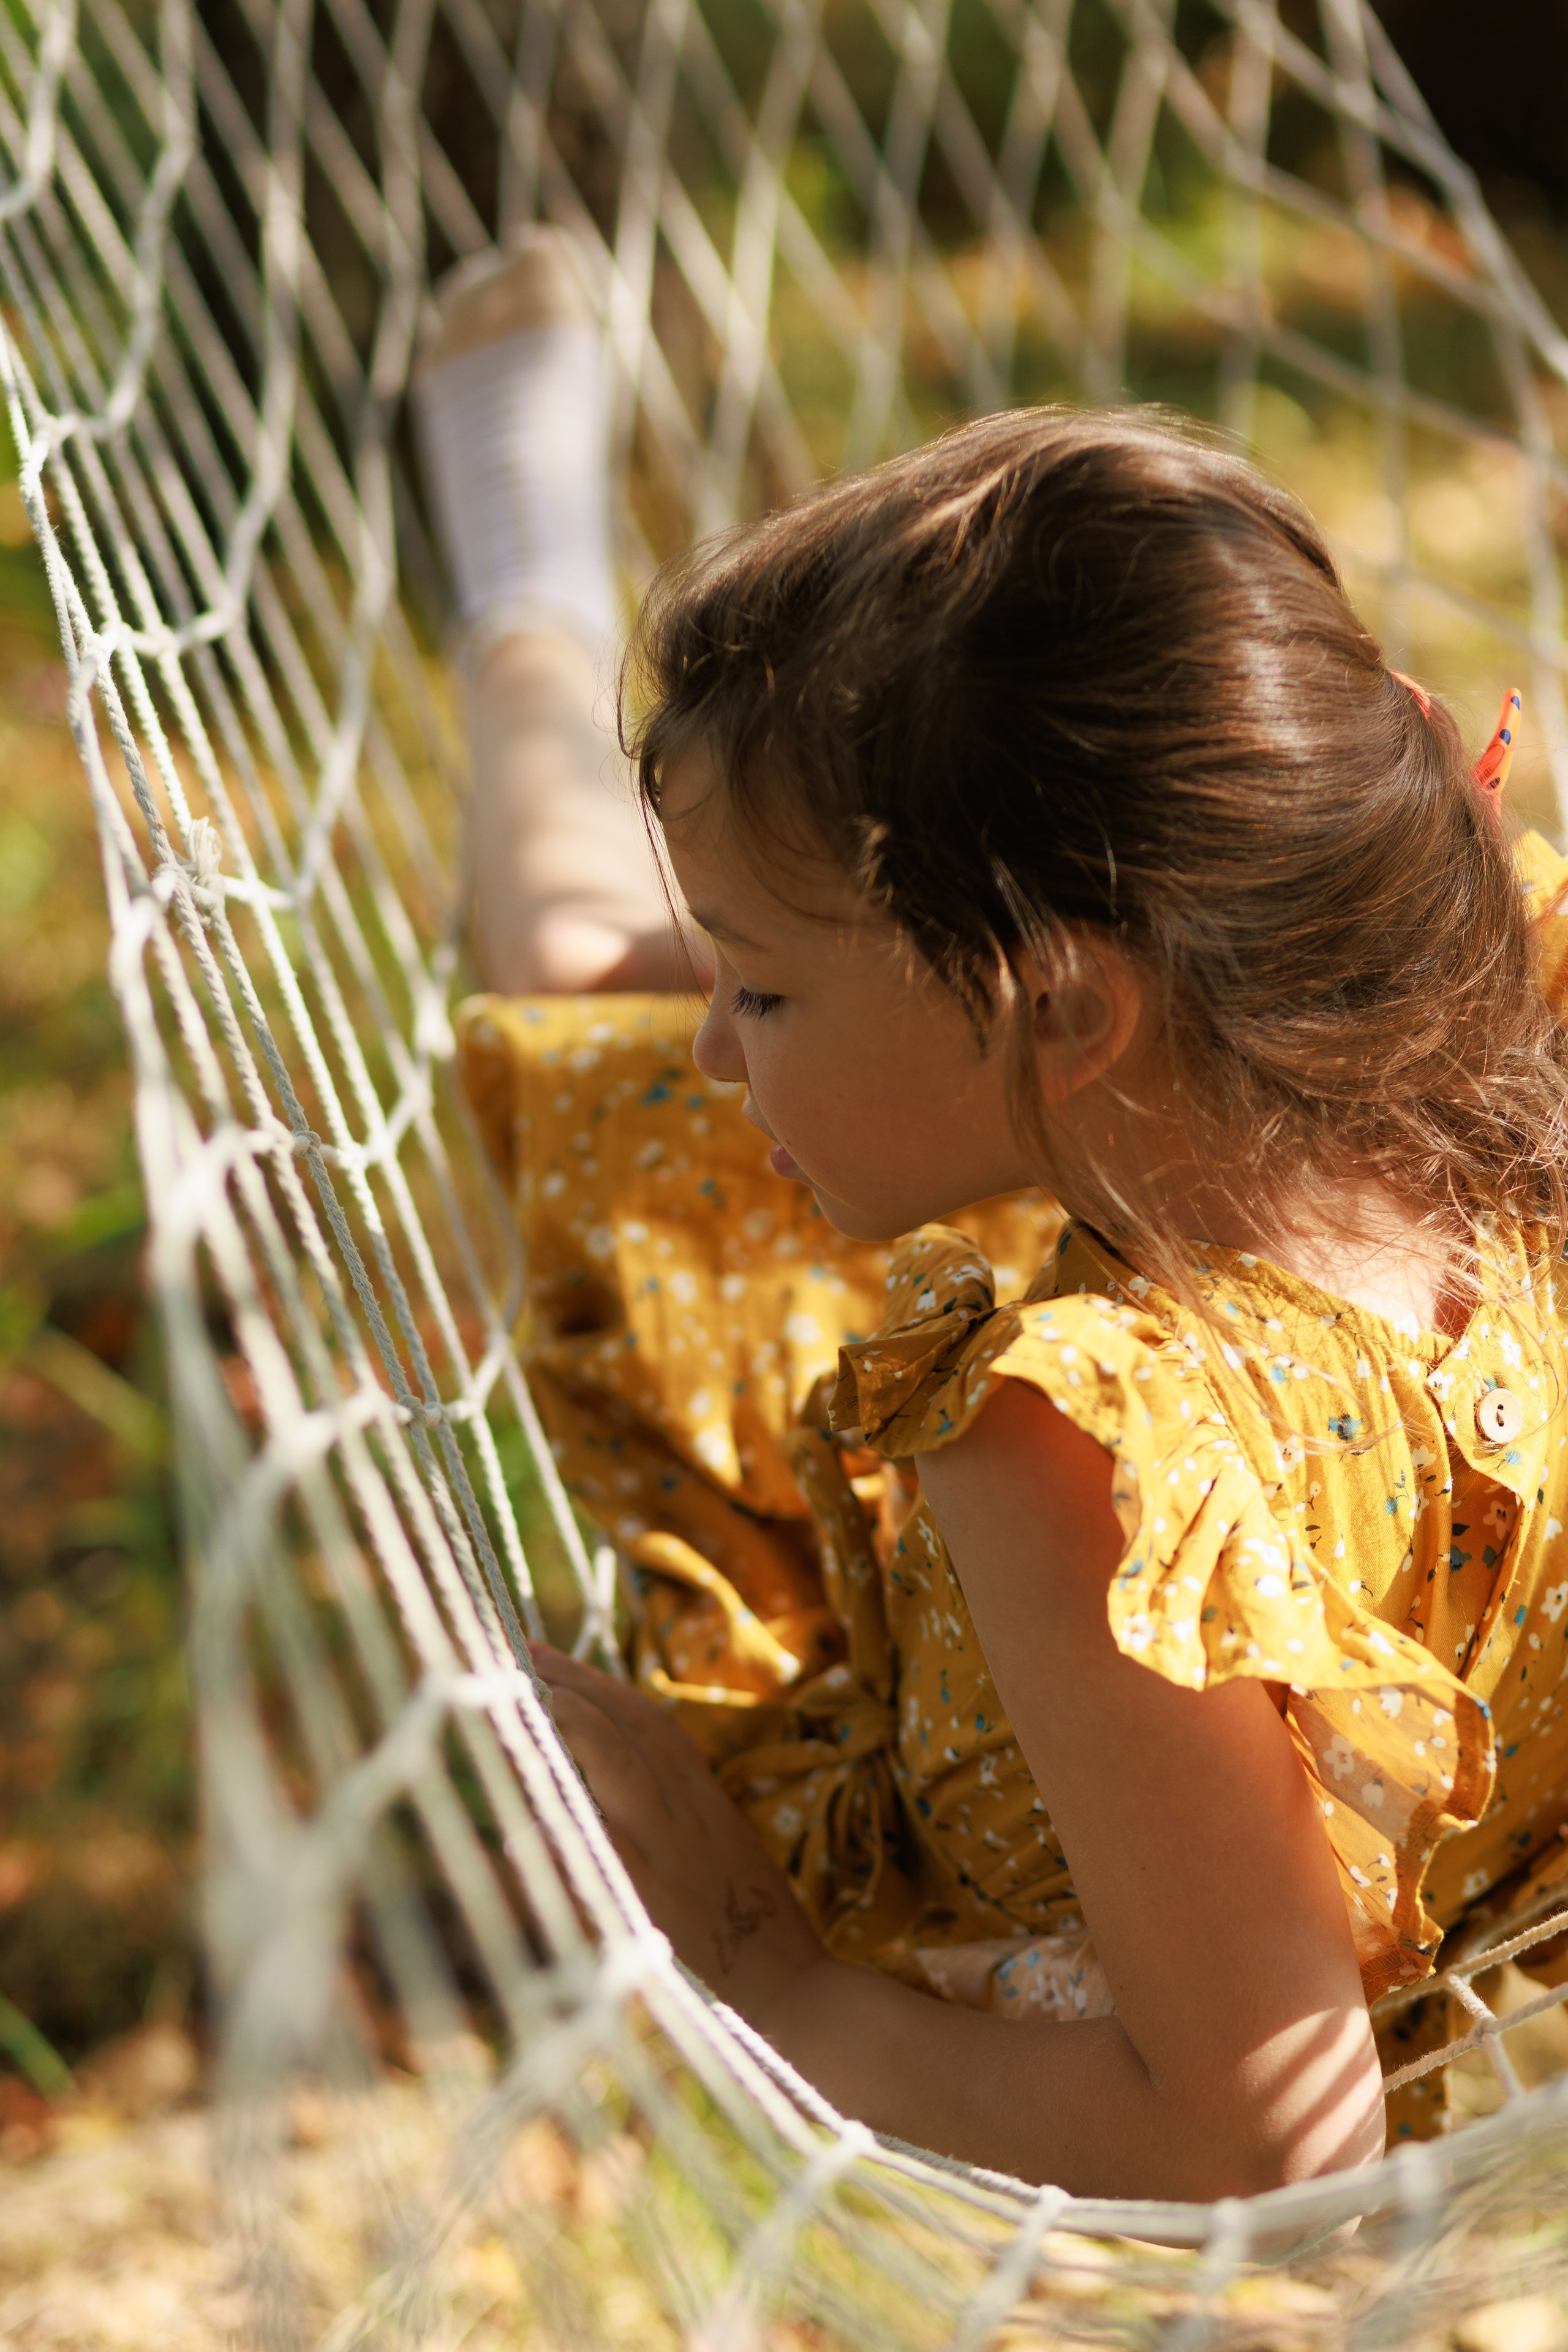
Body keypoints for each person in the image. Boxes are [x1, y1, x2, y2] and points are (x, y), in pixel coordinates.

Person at [418, 255, 1568, 2201]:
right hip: (1128, 1170)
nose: (712, 1043)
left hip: (933, 1984)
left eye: (761, 994)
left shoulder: (1064, 1449)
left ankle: (516, 583)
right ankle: (524, 581)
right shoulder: (1494, 1049)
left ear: (1058, 1004)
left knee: (554, 965)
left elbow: (1253, 2139)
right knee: (580, 970)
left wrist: (736, 1962)